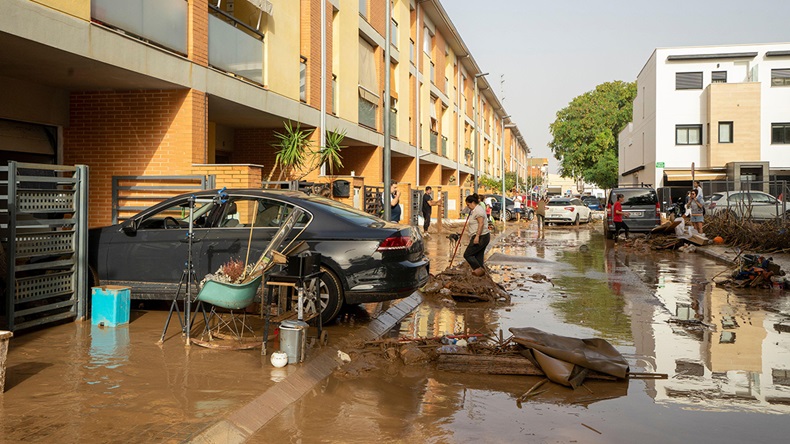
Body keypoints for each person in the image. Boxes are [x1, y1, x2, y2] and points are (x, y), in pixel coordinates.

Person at [463, 194, 490, 277]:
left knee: (467, 254)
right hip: (483, 236)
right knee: (478, 257)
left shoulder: (478, 211)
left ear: (473, 203)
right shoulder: (476, 210)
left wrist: (477, 236)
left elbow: (481, 224)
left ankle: (479, 271)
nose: (468, 207)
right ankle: (482, 277)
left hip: (481, 237)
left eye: (468, 205)